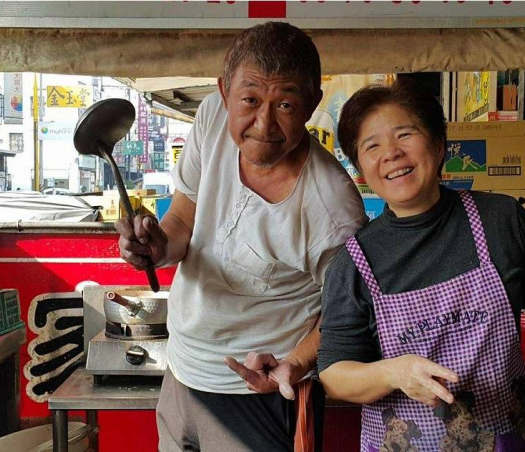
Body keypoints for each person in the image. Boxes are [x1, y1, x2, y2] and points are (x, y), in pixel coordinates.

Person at [115, 22, 367, 452]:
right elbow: (182, 219)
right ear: (224, 91)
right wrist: (157, 248)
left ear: (311, 105)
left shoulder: (332, 207)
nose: (263, 123)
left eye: (285, 104)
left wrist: (295, 364)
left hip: (262, 395)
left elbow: (347, 312)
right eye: (249, 100)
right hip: (182, 371)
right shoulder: (213, 117)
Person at [318, 79, 525, 452]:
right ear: (360, 170)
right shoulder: (354, 262)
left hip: (511, 440)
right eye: (372, 146)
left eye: (405, 134)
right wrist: (394, 372)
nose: (391, 153)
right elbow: (334, 374)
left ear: (438, 144)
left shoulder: (501, 220)